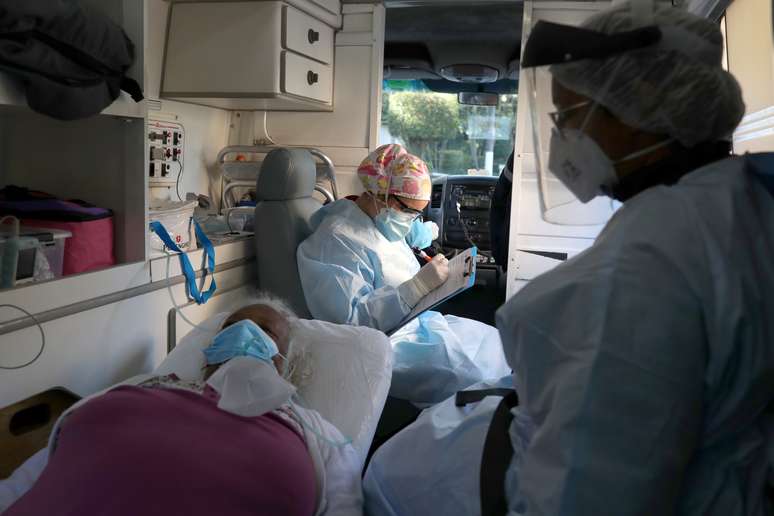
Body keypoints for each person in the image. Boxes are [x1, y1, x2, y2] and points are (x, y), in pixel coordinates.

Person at [494, 1, 774, 514]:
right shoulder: (741, 198)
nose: (561, 138)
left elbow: (581, 494)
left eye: (569, 117)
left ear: (638, 115)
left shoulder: (640, 267)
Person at [2, 294, 363, 516]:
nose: (244, 331)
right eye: (233, 325)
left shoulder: (314, 431)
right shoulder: (145, 385)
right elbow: (30, 480)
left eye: (265, 330)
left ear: (287, 363)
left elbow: (343, 504)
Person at [297, 144, 510, 405]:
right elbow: (350, 322)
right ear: (381, 194)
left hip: (414, 325)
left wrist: (425, 238)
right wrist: (418, 287)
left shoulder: (377, 220)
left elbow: (401, 241)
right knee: (475, 376)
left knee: (497, 344)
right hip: (383, 345)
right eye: (410, 212)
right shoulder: (335, 240)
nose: (411, 220)